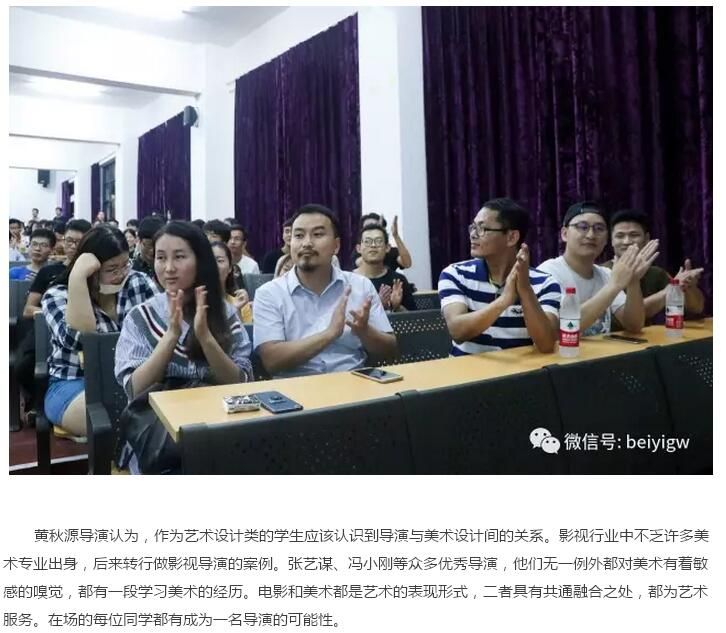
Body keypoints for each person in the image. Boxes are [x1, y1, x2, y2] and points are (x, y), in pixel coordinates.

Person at [41, 225, 157, 441]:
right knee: (112, 418)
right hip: (74, 382)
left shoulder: (138, 283)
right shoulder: (56, 296)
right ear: (91, 270)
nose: (121, 275)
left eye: (125, 265)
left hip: (135, 378)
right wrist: (78, 278)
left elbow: (161, 328)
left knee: (154, 417)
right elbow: (82, 340)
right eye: (112, 269)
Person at [253, 204, 397, 378]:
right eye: (298, 235)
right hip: (295, 387)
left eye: (317, 234)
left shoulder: (360, 286)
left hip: (353, 383)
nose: (306, 243)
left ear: (336, 246)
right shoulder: (269, 294)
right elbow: (272, 361)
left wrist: (365, 331)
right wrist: (329, 334)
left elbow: (390, 350)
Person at [115, 221, 253, 401]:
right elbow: (135, 389)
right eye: (161, 257)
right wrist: (172, 335)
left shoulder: (225, 312)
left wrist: (205, 337)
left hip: (216, 411)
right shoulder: (140, 317)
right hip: (159, 414)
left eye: (179, 257)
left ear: (200, 261)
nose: (169, 268)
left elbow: (240, 383)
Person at [438, 198, 562, 355]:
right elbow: (457, 331)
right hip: (467, 369)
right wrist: (504, 300)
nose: (473, 235)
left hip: (520, 369)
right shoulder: (455, 274)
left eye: (482, 229)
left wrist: (525, 290)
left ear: (512, 237)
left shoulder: (545, 283)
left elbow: (547, 345)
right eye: (473, 227)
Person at [537, 201, 659, 336]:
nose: (591, 235)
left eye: (599, 229)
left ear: (606, 239)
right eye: (582, 227)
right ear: (564, 234)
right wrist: (613, 286)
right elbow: (555, 331)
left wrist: (633, 282)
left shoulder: (606, 274)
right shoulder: (547, 273)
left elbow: (634, 325)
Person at [604, 209, 704, 327]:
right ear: (611, 241)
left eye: (634, 235)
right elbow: (622, 319)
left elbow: (696, 308)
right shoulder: (603, 272)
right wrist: (666, 292)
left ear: (646, 238)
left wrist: (689, 287)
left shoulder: (656, 273)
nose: (626, 241)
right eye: (620, 236)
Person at [354, 224, 417, 312]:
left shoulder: (398, 281)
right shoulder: (348, 281)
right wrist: (377, 305)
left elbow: (414, 317)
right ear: (359, 248)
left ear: (387, 248)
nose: (373, 245)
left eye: (378, 241)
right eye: (367, 241)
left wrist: (397, 307)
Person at [212, 241, 252, 324]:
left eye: (220, 260)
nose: (214, 265)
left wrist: (236, 310)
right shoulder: (196, 304)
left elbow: (244, 332)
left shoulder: (241, 303)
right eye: (210, 260)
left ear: (230, 267)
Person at [132, 215, 165, 283]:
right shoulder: (131, 270)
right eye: (148, 245)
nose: (152, 250)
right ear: (139, 241)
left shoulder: (167, 268)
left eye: (156, 245)